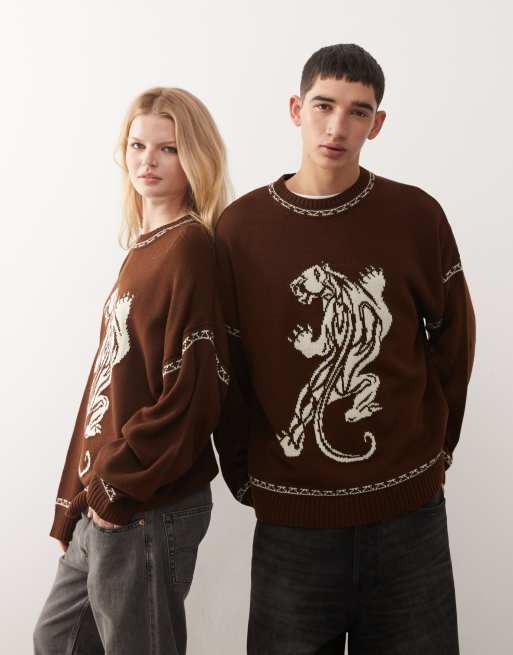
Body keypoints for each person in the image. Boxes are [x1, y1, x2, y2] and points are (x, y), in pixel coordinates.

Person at [214, 44, 476, 654]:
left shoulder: (416, 215)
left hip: (408, 518)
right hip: (292, 525)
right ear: (295, 109)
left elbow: (454, 339)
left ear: (376, 124)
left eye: (358, 112)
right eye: (323, 106)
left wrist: (437, 450)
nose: (337, 126)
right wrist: (247, 476)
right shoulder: (241, 228)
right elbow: (226, 366)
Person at [34, 86, 230, 655]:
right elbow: (108, 381)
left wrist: (116, 487)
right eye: (138, 145)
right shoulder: (144, 250)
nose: (148, 160)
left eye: (168, 148)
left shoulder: (190, 247)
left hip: (147, 497)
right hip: (109, 494)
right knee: (57, 639)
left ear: (196, 157)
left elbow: (194, 389)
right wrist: (76, 497)